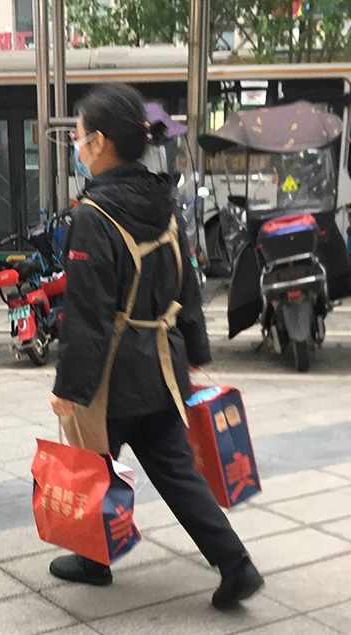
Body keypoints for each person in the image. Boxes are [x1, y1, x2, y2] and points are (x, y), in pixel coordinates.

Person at [48, 84, 264, 610]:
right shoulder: (162, 203)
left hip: (113, 375)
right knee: (175, 470)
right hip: (164, 365)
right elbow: (187, 285)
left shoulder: (94, 215)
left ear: (100, 142)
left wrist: (69, 389)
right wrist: (195, 354)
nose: (75, 144)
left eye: (78, 135)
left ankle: (94, 560)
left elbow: (88, 315)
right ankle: (236, 564)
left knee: (94, 462)